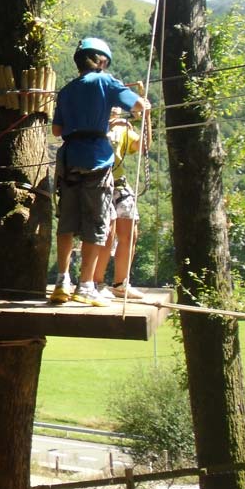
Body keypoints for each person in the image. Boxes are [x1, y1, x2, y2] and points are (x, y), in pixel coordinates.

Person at [51, 37, 150, 307]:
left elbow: (57, 130)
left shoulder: (67, 91)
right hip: (96, 159)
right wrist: (144, 105)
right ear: (102, 61)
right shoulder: (106, 81)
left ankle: (61, 281)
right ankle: (85, 286)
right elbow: (137, 106)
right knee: (97, 223)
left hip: (69, 160)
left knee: (67, 222)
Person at [90, 107, 145, 300]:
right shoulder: (93, 121)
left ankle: (121, 283)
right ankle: (96, 282)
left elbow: (143, 146)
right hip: (100, 183)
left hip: (119, 184)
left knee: (130, 233)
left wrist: (145, 119)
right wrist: (109, 123)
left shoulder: (123, 128)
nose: (115, 108)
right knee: (107, 234)